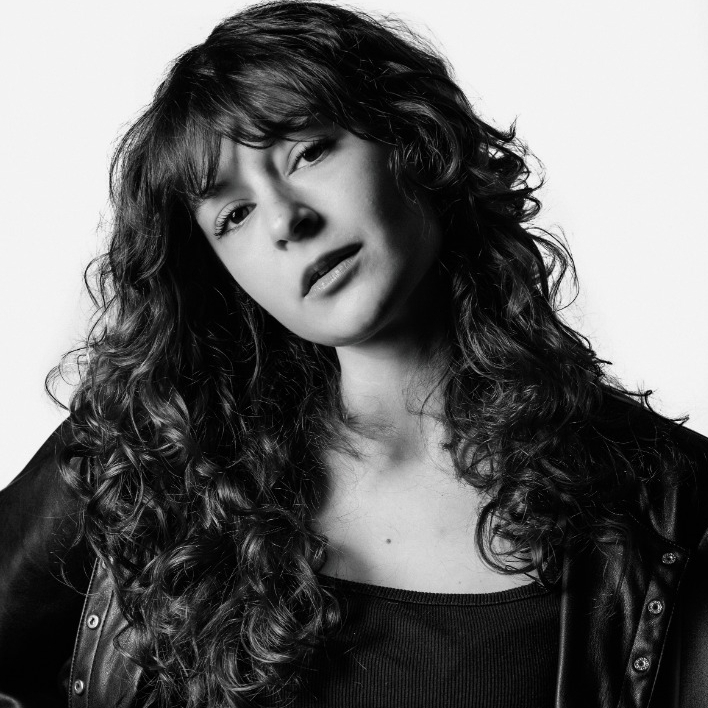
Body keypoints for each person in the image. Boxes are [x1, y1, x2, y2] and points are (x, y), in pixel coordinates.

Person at [1, 2, 706, 707]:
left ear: (411, 138)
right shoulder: (141, 463)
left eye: (309, 151)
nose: (286, 220)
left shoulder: (669, 505)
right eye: (234, 215)